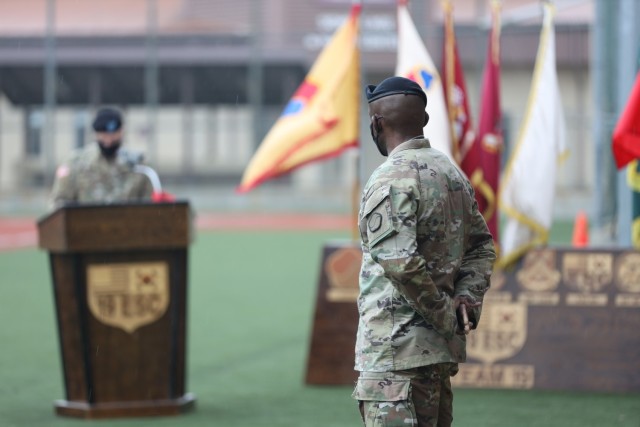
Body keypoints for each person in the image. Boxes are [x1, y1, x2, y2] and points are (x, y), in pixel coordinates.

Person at [352, 76, 496, 427]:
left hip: (395, 359)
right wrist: (465, 298)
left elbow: (400, 263)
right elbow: (482, 247)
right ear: (425, 121)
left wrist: (446, 318)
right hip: (434, 357)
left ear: (376, 123)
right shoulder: (452, 174)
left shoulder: (389, 178)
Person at [49, 107, 154, 209]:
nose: (108, 140)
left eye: (113, 134)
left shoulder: (139, 166)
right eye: (103, 134)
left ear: (121, 132)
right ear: (96, 133)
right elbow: (59, 204)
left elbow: (149, 206)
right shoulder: (75, 163)